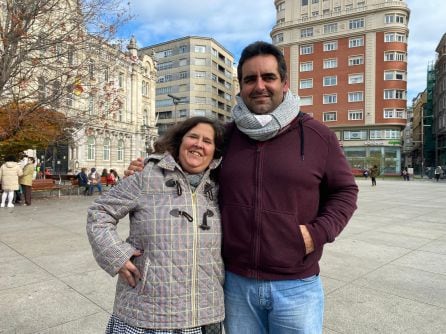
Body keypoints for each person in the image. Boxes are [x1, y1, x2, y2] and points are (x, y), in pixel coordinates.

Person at [126, 41, 358, 334]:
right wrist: (148, 166)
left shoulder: (317, 136)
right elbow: (187, 163)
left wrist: (317, 233)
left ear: (284, 83)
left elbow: (345, 192)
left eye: (268, 77)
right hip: (236, 284)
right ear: (240, 86)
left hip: (297, 286)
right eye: (250, 79)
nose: (259, 86)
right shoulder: (226, 136)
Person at [87, 116, 225, 333]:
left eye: (207, 141)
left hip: (204, 313)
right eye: (193, 137)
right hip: (147, 313)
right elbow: (100, 212)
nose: (199, 144)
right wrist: (116, 255)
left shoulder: (221, 186)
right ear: (180, 142)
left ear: (215, 151)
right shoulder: (146, 176)